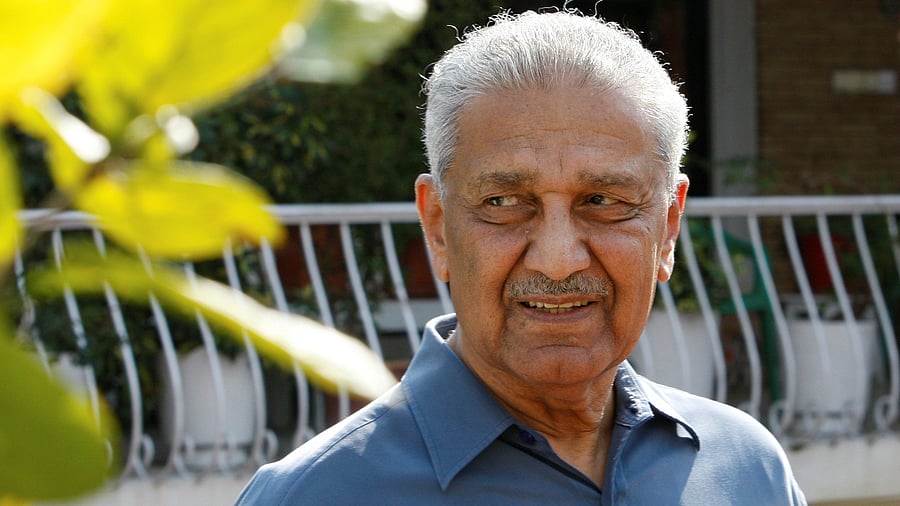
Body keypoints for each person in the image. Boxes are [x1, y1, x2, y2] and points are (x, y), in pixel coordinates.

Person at [236, 10, 806, 505]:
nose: (558, 261)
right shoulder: (315, 495)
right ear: (438, 227)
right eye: (504, 202)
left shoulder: (746, 470)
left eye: (603, 201)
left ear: (668, 227)